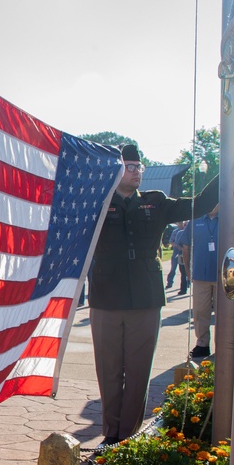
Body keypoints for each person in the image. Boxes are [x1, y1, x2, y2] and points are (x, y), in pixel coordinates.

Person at [88, 144, 218, 446]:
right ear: (116, 170)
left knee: (137, 373)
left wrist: (227, 167)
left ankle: (127, 438)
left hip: (145, 300)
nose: (137, 172)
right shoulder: (97, 201)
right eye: (130, 166)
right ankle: (111, 433)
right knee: (108, 371)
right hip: (106, 298)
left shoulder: (156, 202)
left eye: (139, 167)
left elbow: (201, 203)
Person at [177, 205, 221, 358]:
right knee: (200, 312)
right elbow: (186, 247)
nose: (212, 205)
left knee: (224, 314)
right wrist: (189, 273)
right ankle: (202, 344)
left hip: (223, 278)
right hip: (201, 276)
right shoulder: (195, 221)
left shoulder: (229, 218)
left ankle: (223, 345)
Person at [165, 221, 189, 294]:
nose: (183, 225)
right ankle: (170, 282)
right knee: (174, 268)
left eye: (185, 224)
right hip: (178, 253)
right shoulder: (177, 232)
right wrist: (182, 249)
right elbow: (173, 242)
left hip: (187, 254)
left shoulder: (189, 232)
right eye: (182, 223)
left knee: (186, 270)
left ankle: (187, 284)